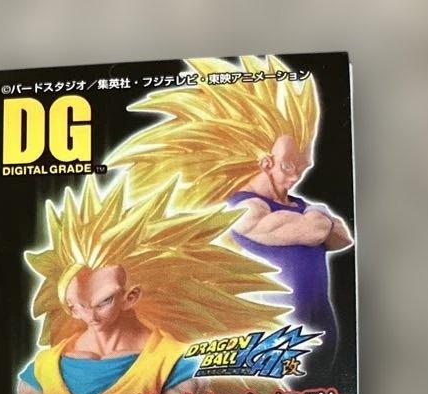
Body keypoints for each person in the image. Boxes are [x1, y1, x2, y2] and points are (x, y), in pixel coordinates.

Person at [0, 175, 302, 394]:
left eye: (103, 302)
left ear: (130, 297)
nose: (90, 315)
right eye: (78, 305)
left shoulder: (166, 361)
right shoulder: (45, 367)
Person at [110, 55, 352, 370]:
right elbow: (319, 231)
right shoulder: (244, 209)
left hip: (322, 336)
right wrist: (319, 217)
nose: (298, 174)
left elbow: (343, 239)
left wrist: (317, 218)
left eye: (302, 165)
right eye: (289, 165)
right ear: (265, 162)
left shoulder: (299, 205)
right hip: (274, 345)